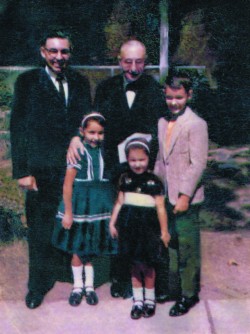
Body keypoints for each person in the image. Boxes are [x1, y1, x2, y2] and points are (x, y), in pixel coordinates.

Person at [67, 39, 169, 302]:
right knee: (119, 225)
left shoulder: (156, 90)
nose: (133, 68)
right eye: (128, 61)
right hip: (114, 170)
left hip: (144, 171)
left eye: (139, 62)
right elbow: (95, 127)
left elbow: (159, 134)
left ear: (146, 62)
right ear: (119, 61)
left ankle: (151, 280)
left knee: (144, 226)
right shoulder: (105, 88)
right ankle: (120, 279)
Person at [10, 28, 91, 309]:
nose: (59, 57)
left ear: (70, 52)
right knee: (40, 229)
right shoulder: (27, 82)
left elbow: (86, 122)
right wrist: (21, 170)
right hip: (40, 170)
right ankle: (37, 285)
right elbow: (17, 127)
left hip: (73, 170)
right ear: (43, 52)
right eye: (53, 51)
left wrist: (76, 137)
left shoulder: (80, 82)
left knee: (72, 224)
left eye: (64, 51)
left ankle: (74, 277)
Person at [154, 69, 208, 316]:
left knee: (187, 248)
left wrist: (185, 195)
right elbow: (161, 159)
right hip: (165, 195)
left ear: (189, 95)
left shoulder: (196, 124)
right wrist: (154, 187)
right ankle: (173, 289)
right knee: (170, 246)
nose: (173, 103)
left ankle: (189, 295)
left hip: (186, 198)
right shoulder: (162, 122)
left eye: (179, 97)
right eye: (169, 97)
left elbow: (198, 164)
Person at [52, 112, 117, 307]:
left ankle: (89, 286)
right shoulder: (77, 152)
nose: (96, 137)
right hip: (80, 205)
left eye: (100, 133)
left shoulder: (105, 152)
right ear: (82, 132)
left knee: (91, 247)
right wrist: (69, 212)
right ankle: (77, 286)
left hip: (98, 205)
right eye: (91, 132)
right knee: (78, 248)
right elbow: (67, 185)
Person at [109, 137, 171, 319]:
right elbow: (119, 202)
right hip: (129, 231)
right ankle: (137, 300)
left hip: (148, 232)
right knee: (134, 265)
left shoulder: (154, 182)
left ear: (148, 159)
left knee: (148, 266)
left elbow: (160, 208)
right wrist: (113, 222)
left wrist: (164, 231)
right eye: (133, 160)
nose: (137, 164)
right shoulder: (125, 179)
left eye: (141, 160)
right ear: (127, 160)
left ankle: (149, 299)